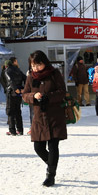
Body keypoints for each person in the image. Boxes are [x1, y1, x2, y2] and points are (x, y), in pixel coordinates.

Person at [22, 50, 67, 187]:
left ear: (44, 62)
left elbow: (62, 91)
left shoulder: (54, 73)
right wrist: (33, 96)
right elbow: (24, 95)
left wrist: (49, 96)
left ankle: (50, 175)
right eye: (33, 65)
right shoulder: (31, 77)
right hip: (39, 117)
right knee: (38, 147)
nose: (35, 68)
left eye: (38, 65)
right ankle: (52, 163)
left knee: (53, 145)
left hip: (55, 115)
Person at [3, 57, 26, 136]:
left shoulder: (7, 71)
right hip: (19, 93)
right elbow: (25, 78)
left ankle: (12, 130)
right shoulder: (18, 70)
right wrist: (24, 89)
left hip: (11, 92)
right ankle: (20, 130)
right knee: (18, 111)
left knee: (10, 112)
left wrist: (15, 89)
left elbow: (10, 80)